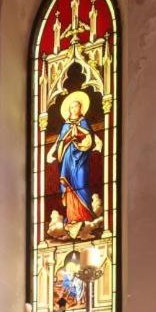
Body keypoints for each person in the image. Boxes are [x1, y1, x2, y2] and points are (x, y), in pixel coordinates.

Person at [46, 91, 102, 227]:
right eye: (71, 107)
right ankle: (72, 217)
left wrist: (86, 140)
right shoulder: (65, 125)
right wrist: (52, 152)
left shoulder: (84, 122)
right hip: (67, 159)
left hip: (82, 158)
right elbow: (60, 141)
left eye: (76, 106)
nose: (74, 109)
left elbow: (90, 137)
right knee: (69, 186)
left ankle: (85, 215)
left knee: (81, 182)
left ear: (81, 108)